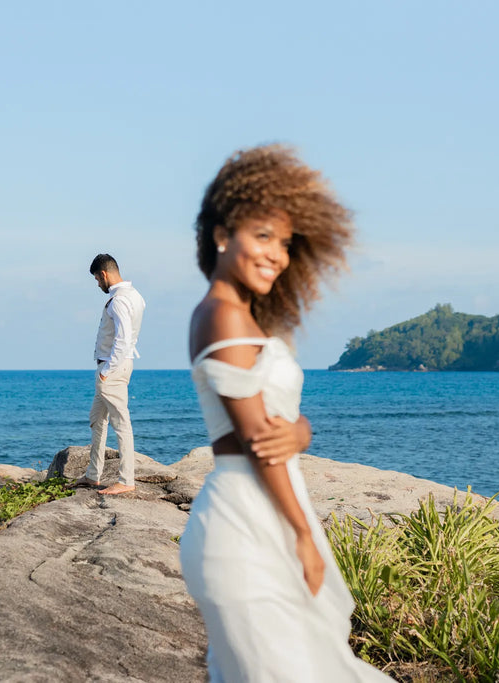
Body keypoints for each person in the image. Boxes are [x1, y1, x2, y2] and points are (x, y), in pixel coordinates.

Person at [180, 145, 392, 681]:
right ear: (224, 234)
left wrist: (301, 431)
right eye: (263, 236)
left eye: (285, 243)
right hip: (244, 524)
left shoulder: (245, 318)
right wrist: (302, 533)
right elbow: (255, 441)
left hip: (267, 513)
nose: (276, 254)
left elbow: (279, 424)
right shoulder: (221, 317)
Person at [73, 253, 146, 495]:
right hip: (115, 367)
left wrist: (107, 370)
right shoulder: (135, 296)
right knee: (97, 420)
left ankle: (126, 481)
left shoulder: (119, 300)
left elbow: (124, 339)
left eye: (96, 279)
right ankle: (93, 475)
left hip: (112, 369)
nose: (97, 284)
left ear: (104, 274)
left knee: (120, 423)